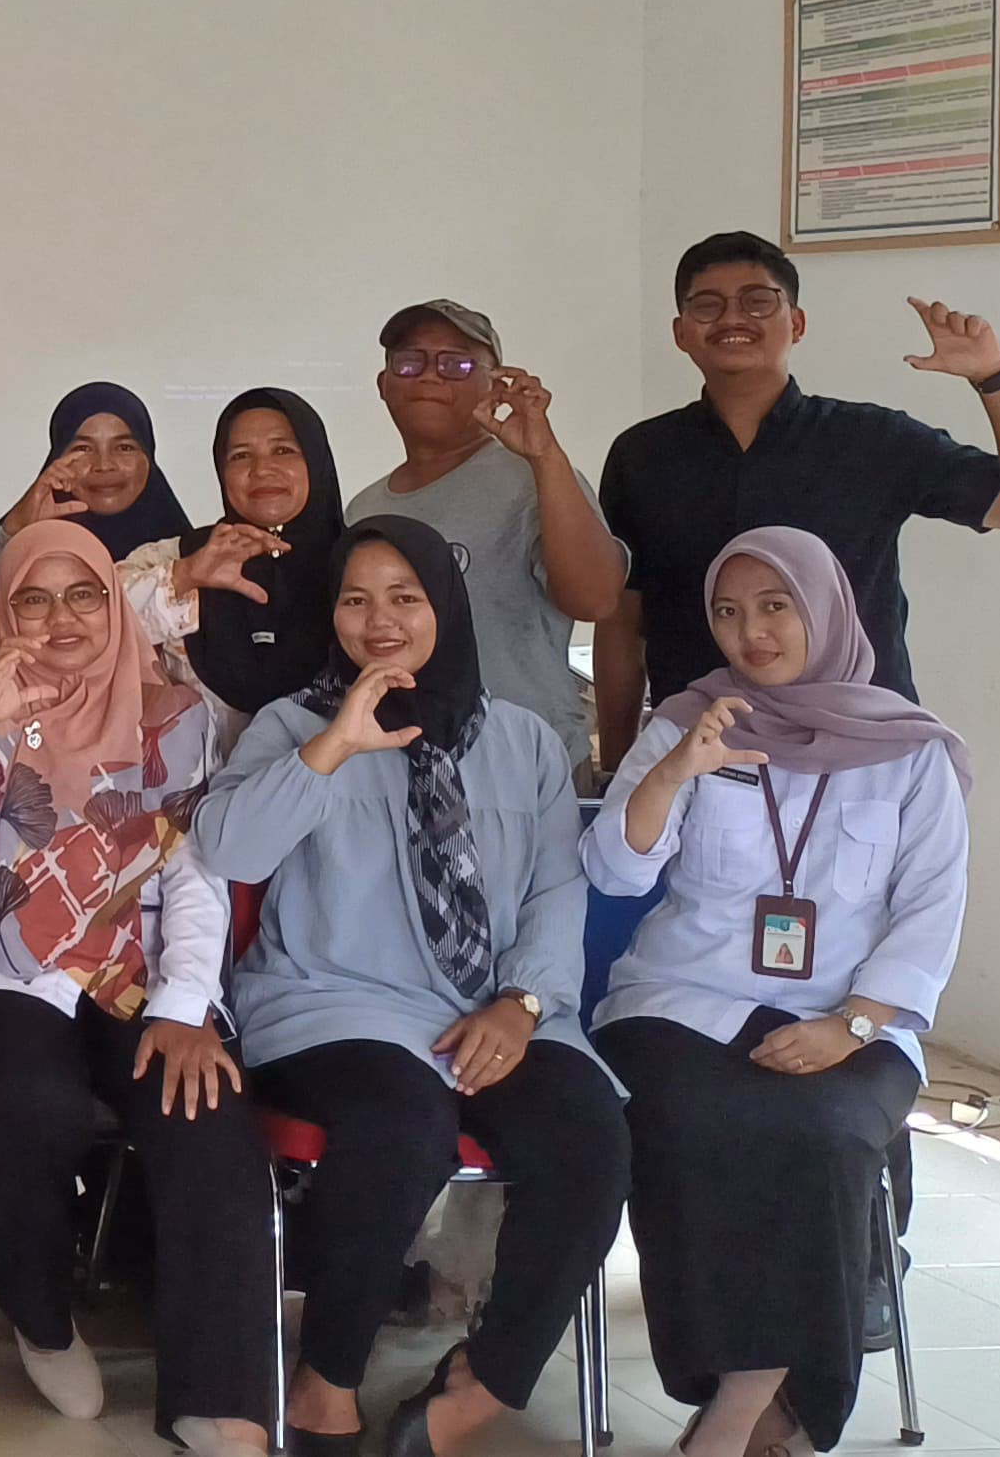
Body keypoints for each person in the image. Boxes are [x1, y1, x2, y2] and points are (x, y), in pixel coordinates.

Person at [192, 517, 627, 1457]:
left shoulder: (523, 741)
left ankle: (483, 1384)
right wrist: (335, 746)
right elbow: (226, 850)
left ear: (446, 607)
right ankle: (327, 1383)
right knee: (400, 1123)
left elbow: (559, 889)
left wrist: (523, 1004)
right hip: (333, 1003)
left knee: (589, 1135)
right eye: (355, 600)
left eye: (404, 597)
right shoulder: (292, 724)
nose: (378, 620)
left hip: (495, 1008)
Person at [0, 521, 272, 1452]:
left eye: (84, 594)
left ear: (113, 603)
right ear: (3, 611)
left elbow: (196, 872)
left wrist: (185, 1006)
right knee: (24, 1100)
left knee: (205, 1106)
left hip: (136, 957)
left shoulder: (175, 714)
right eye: (34, 599)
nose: (62, 617)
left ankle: (219, 1395)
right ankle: (41, 1316)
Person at [590, 529, 967, 1457]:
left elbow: (931, 907)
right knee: (682, 1121)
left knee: (825, 1136)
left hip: (853, 1015)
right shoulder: (689, 723)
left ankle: (751, 1405)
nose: (751, 632)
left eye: (774, 606)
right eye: (728, 612)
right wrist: (674, 771)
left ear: (826, 609)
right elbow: (613, 870)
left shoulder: (909, 750)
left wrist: (853, 1025)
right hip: (681, 1001)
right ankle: (751, 1409)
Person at [593, 233, 1000, 763]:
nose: (733, 317)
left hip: (860, 753)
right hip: (701, 752)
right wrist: (618, 765)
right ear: (681, 333)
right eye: (708, 305)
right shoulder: (642, 455)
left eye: (758, 301)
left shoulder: (872, 440)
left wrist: (994, 376)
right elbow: (621, 623)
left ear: (797, 323)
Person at [347, 302, 622, 779]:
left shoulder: (537, 478)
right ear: (383, 384)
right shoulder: (364, 509)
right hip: (402, 765)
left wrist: (545, 455)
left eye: (456, 364)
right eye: (409, 361)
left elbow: (596, 600)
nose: (429, 376)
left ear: (494, 385)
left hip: (529, 765)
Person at [158, 388, 346, 727]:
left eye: (283, 450)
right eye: (241, 455)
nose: (262, 469)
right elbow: (100, 627)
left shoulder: (361, 563)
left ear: (316, 460)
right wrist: (185, 576)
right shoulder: (176, 556)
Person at [0, 380, 199, 574]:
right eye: (83, 449)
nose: (104, 465)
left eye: (124, 447)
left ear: (148, 458)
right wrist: (16, 534)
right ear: (57, 458)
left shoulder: (190, 556)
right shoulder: (16, 539)